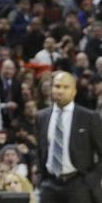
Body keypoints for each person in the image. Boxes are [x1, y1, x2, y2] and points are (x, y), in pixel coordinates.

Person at [36, 70, 102, 203]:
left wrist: (92, 178)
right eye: (57, 86)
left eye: (66, 87)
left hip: (78, 183)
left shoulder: (89, 117)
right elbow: (40, 149)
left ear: (74, 91)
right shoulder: (41, 116)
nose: (60, 91)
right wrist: (41, 178)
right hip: (50, 183)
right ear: (51, 88)